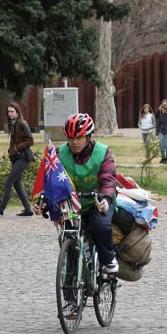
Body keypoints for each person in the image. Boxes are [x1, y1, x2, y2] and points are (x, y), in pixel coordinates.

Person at [54, 113, 119, 274]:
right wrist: (42, 198)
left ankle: (108, 259)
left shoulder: (102, 152)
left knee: (100, 227)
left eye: (79, 138)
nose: (74, 142)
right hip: (72, 206)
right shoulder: (60, 153)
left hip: (98, 202)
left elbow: (108, 179)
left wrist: (106, 198)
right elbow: (51, 180)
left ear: (88, 137)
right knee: (68, 239)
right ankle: (69, 291)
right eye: (70, 138)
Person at [0, 103, 34, 217]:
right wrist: (11, 151)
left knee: (9, 181)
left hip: (23, 157)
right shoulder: (13, 124)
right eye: (8, 112)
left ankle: (1, 209)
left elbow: (30, 141)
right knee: (17, 183)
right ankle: (28, 209)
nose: (10, 114)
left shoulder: (22, 124)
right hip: (16, 157)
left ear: (17, 112)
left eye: (12, 111)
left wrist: (16, 148)